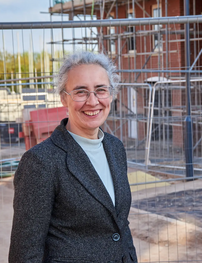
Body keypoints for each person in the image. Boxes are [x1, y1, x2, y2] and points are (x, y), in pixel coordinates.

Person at [9, 51, 138, 263]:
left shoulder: (115, 148)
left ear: (111, 94)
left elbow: (119, 226)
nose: (93, 101)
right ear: (63, 98)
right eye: (81, 92)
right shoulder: (41, 162)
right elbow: (25, 253)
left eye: (100, 90)